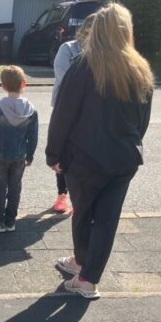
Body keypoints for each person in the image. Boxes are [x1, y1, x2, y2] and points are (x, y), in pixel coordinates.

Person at [46, 2, 153, 299]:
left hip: (85, 158)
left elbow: (63, 115)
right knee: (107, 220)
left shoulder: (83, 65)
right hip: (124, 159)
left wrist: (53, 154)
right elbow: (142, 122)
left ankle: (81, 263)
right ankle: (88, 278)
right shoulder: (141, 68)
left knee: (83, 214)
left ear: (97, 31)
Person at [0, 65, 38, 233]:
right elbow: (33, 136)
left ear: (3, 86)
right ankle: (10, 221)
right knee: (15, 187)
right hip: (19, 155)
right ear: (24, 84)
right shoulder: (31, 110)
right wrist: (30, 155)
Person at [49, 28, 89, 214]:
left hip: (87, 112)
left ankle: (77, 198)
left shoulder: (103, 53)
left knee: (81, 154)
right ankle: (62, 195)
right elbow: (64, 77)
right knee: (63, 153)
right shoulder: (68, 49)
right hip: (64, 108)